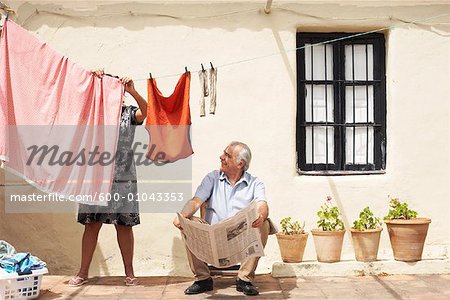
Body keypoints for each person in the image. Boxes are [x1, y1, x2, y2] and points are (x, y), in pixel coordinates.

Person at [68, 69, 147, 287]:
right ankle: (83, 272)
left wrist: (133, 91)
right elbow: (73, 102)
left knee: (124, 225)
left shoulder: (127, 113)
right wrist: (91, 79)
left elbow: (146, 111)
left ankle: (129, 273)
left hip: (123, 175)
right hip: (95, 173)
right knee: (91, 223)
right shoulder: (93, 112)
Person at [173, 141, 270, 296]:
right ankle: (202, 279)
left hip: (241, 240)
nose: (221, 157)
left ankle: (244, 279)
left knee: (263, 223)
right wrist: (182, 216)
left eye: (227, 155)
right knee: (187, 223)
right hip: (212, 239)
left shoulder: (255, 183)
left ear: (240, 163)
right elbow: (196, 201)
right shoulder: (212, 178)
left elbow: (262, 204)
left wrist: (261, 215)